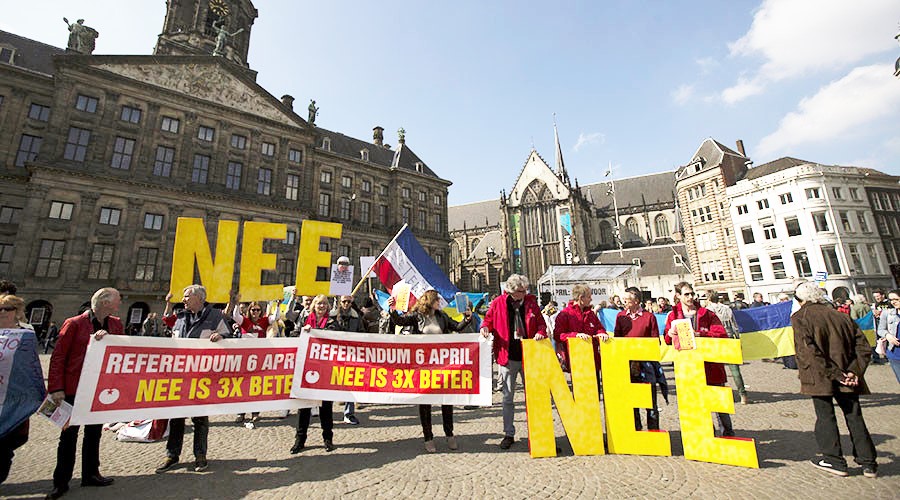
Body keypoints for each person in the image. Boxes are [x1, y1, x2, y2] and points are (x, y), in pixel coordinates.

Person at [791, 282, 877, 478]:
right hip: (848, 374)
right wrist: (854, 372)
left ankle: (834, 459)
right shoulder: (841, 315)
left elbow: (809, 352)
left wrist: (837, 375)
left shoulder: (800, 317)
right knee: (854, 416)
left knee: (825, 416)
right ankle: (868, 462)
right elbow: (863, 347)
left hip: (820, 377)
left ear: (801, 300)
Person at [46, 288, 122, 499]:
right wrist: (56, 388)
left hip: (99, 388)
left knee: (94, 433)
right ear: (105, 302)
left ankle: (91, 473)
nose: (120, 303)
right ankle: (61, 481)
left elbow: (122, 350)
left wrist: (109, 338)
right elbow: (59, 357)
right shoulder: (74, 323)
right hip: (73, 388)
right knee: (68, 436)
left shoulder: (115, 324)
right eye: (117, 300)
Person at [156, 285, 230, 474]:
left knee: (200, 419)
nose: (184, 299)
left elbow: (230, 336)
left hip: (201, 377)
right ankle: (172, 455)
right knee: (176, 418)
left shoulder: (215, 316)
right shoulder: (181, 317)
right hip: (180, 376)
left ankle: (200, 455)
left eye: (187, 296)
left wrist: (221, 336)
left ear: (199, 298)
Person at [389, 290, 471, 452]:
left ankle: (450, 434)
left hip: (441, 365)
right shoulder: (417, 316)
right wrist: (392, 309)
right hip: (423, 366)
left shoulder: (442, 316)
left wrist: (467, 318)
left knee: (446, 401)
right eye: (437, 300)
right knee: (425, 403)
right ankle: (428, 437)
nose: (439, 302)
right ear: (430, 301)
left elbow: (457, 327)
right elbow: (399, 321)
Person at [480, 274, 547, 450]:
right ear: (511, 291)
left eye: (525, 290)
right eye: (520, 291)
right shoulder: (498, 303)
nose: (523, 294)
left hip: (528, 355)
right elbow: (488, 321)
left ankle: (537, 432)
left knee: (533, 397)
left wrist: (541, 332)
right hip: (507, 356)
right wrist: (485, 327)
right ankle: (509, 433)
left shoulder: (531, 302)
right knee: (507, 398)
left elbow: (541, 324)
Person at [664, 283, 734, 436]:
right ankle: (707, 433)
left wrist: (702, 335)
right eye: (686, 294)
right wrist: (669, 334)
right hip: (689, 367)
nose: (690, 297)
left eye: (691, 294)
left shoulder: (706, 314)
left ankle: (727, 434)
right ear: (678, 296)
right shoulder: (673, 316)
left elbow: (721, 334)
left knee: (718, 402)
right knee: (697, 403)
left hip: (710, 365)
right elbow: (667, 341)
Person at [0, 294, 42, 484]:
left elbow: (31, 366)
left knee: (6, 446)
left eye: (6, 309)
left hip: (14, 397)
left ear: (16, 313)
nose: (2, 313)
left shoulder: (26, 334)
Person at [292, 295, 338, 454]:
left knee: (326, 407)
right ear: (313, 305)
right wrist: (302, 333)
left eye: (325, 303)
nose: (322, 306)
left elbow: (334, 339)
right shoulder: (304, 319)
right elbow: (293, 334)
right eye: (319, 303)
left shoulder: (332, 322)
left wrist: (316, 333)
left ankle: (328, 438)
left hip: (325, 369)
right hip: (306, 368)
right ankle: (300, 439)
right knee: (304, 406)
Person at [614, 289, 661, 430]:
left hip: (646, 364)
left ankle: (653, 429)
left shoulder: (649, 317)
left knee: (650, 399)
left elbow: (655, 340)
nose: (624, 302)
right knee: (631, 398)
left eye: (627, 300)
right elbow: (618, 339)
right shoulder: (620, 316)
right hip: (628, 364)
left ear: (636, 301)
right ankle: (636, 429)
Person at [230, 294, 278, 426]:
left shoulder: (263, 321)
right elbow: (235, 316)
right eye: (253, 310)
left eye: (257, 310)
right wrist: (236, 302)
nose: (255, 312)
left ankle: (255, 412)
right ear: (249, 311)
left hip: (258, 359)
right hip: (245, 359)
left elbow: (275, 317)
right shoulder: (245, 321)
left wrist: (276, 305)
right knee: (242, 385)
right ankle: (241, 412)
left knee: (256, 386)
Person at [554, 284, 607, 383]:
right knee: (580, 393)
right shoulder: (565, 314)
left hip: (593, 360)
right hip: (576, 361)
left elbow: (599, 328)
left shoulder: (590, 314)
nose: (591, 299)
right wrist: (575, 335)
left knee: (595, 391)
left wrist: (602, 333)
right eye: (589, 297)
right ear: (581, 298)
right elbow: (558, 335)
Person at [704, 290, 749, 404]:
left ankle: (721, 395)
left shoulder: (708, 311)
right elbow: (735, 325)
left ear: (708, 299)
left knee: (717, 369)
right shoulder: (727, 309)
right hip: (729, 338)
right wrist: (737, 339)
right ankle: (743, 394)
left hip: (715, 341)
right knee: (735, 370)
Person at [332, 295, 364, 425]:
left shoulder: (356, 317)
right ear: (340, 302)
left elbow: (362, 332)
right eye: (344, 301)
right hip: (335, 353)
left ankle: (349, 413)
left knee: (350, 382)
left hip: (350, 354)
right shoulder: (332, 316)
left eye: (348, 302)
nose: (346, 304)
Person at [875, 289, 900, 383]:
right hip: (895, 353)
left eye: (896, 299)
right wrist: (888, 335)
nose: (893, 302)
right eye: (891, 300)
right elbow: (880, 330)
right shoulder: (887, 313)